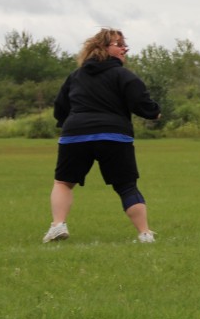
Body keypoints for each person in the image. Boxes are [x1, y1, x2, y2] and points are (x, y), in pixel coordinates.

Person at [43, 28, 161, 244]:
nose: (125, 48)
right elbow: (140, 100)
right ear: (103, 47)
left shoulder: (75, 76)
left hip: (75, 134)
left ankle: (58, 225)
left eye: (125, 44)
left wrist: (67, 123)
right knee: (126, 186)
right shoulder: (123, 75)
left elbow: (60, 107)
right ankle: (145, 234)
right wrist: (153, 112)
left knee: (63, 182)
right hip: (114, 135)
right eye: (119, 44)